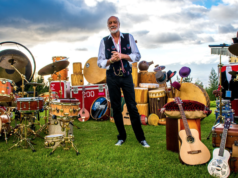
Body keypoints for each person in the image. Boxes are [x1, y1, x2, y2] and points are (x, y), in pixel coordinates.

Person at [97, 16, 150, 147]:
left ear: (119, 24)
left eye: (115, 22)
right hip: (112, 77)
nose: (112, 24)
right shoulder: (104, 41)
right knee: (116, 108)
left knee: (132, 106)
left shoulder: (128, 37)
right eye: (110, 23)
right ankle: (121, 137)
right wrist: (111, 60)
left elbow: (137, 55)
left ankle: (141, 138)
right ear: (108, 26)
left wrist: (122, 56)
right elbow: (100, 62)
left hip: (126, 76)